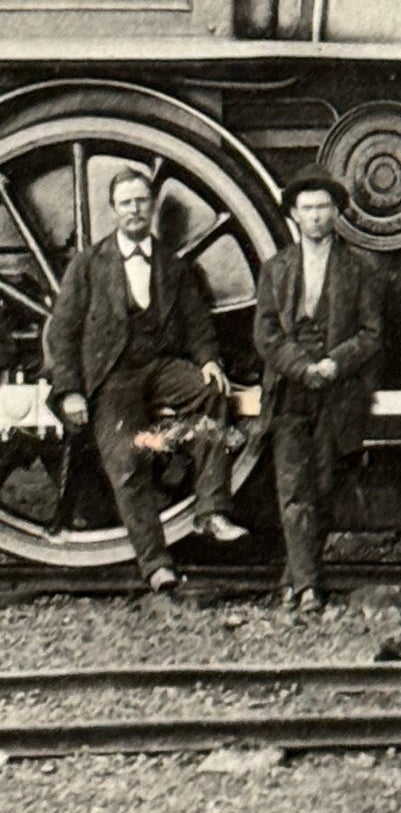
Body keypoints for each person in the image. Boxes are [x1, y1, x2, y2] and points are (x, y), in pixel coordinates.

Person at [46, 167, 249, 592]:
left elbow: (196, 322)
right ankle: (156, 563)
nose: (135, 210)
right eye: (126, 203)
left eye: (141, 201)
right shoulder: (88, 265)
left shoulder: (172, 266)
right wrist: (69, 391)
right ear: (113, 210)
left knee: (213, 393)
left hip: (160, 366)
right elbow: (63, 331)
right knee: (126, 460)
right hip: (112, 377)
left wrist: (209, 360)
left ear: (152, 206)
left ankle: (211, 510)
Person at [254, 166, 383, 612]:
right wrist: (301, 368)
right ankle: (308, 588)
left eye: (323, 207)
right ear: (294, 215)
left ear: (336, 213)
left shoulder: (360, 269)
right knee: (293, 487)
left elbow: (371, 333)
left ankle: (296, 577)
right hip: (291, 390)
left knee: (325, 486)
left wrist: (334, 364)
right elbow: (267, 333)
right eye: (307, 208)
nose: (316, 217)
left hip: (337, 390)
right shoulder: (276, 269)